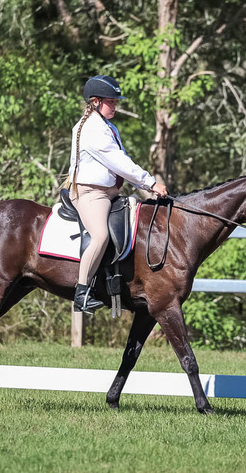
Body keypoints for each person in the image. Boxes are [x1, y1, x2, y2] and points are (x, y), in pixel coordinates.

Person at [68, 75, 168, 314]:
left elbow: (122, 162)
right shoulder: (93, 129)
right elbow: (119, 162)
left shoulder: (107, 126)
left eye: (115, 101)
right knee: (101, 236)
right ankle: (82, 294)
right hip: (91, 193)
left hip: (110, 192)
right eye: (110, 101)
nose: (115, 105)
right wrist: (150, 182)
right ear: (95, 102)